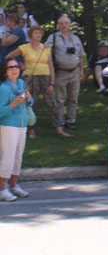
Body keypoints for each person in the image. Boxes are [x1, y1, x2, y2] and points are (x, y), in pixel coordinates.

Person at [5, 26, 68, 139]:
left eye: (39, 33)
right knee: (30, 103)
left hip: (46, 77)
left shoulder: (46, 48)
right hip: (31, 78)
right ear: (30, 35)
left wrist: (52, 83)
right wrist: (20, 66)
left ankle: (59, 128)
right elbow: (9, 57)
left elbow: (51, 66)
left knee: (52, 102)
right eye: (35, 33)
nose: (38, 35)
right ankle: (31, 129)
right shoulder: (24, 47)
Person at [45, 16, 85, 130]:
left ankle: (71, 120)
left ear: (70, 25)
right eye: (61, 23)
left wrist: (81, 70)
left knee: (73, 98)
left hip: (75, 72)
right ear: (58, 25)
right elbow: (45, 50)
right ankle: (60, 121)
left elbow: (81, 55)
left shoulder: (76, 38)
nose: (64, 25)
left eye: (66, 23)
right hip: (60, 73)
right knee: (59, 99)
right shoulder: (53, 37)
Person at [0, 59, 32, 201]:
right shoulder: (3, 88)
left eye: (16, 67)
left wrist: (30, 99)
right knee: (8, 157)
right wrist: (14, 104)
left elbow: (28, 104)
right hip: (8, 126)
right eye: (10, 67)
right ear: (5, 71)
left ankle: (14, 186)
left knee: (18, 156)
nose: (14, 69)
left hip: (22, 125)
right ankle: (2, 189)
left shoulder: (21, 84)